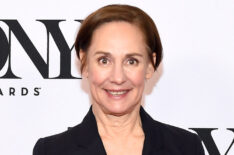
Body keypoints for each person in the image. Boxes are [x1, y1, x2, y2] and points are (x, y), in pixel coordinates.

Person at [33, 4, 205, 155]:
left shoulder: (185, 147)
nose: (117, 77)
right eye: (104, 60)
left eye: (131, 61)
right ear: (85, 64)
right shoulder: (51, 150)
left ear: (150, 66)